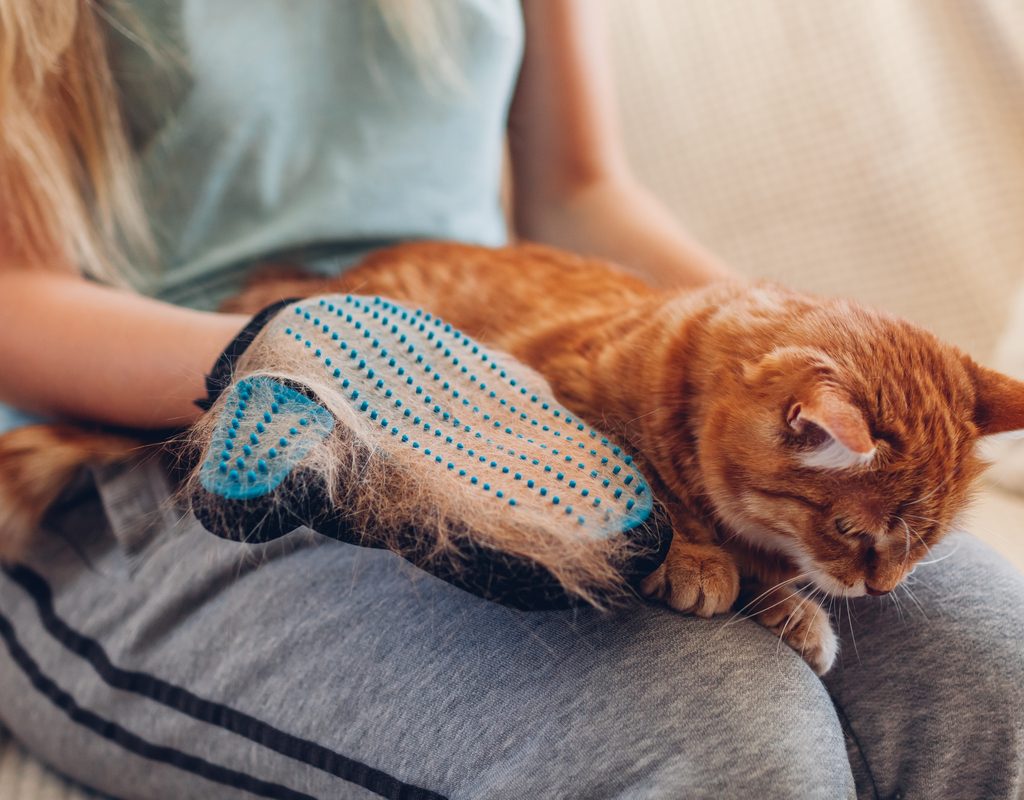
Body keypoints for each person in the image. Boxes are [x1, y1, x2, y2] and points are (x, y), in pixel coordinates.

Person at [0, 2, 1020, 798]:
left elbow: (575, 191)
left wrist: (766, 342)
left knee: (989, 658)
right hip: (159, 443)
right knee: (722, 736)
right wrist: (315, 352)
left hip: (499, 381)